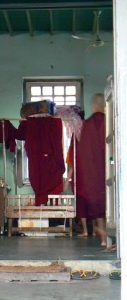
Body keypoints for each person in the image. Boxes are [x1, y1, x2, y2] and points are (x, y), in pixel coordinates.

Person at [66, 94, 106, 246]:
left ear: (93, 106)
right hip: (108, 170)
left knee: (96, 203)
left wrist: (73, 174)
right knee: (108, 203)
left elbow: (80, 154)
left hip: (90, 173)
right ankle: (104, 234)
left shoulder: (87, 126)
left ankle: (102, 236)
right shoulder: (112, 121)